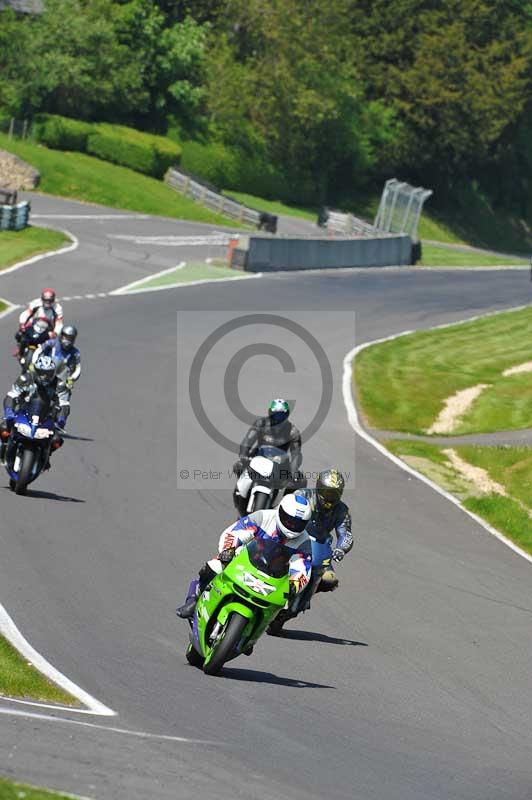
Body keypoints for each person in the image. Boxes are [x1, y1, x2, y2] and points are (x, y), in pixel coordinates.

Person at [176, 493, 313, 622]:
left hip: (274, 577)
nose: (292, 525)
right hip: (245, 561)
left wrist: (294, 583)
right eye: (288, 520)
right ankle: (195, 600)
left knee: (282, 606)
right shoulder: (263, 517)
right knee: (215, 566)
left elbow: (303, 567)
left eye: (297, 523)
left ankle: (252, 635)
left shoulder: (304, 541)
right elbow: (235, 532)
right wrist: (228, 551)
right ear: (280, 511)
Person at [267, 468, 353, 635]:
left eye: (335, 493)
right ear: (319, 488)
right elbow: (281, 510)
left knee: (330, 580)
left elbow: (346, 534)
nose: (330, 497)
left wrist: (341, 548)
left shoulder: (342, 510)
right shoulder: (303, 495)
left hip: (320, 548)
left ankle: (307, 594)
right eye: (327, 492)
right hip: (295, 540)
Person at [232, 398, 304, 515]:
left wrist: (293, 471)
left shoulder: (293, 431)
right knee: (239, 468)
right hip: (258, 460)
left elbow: (296, 454)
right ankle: (240, 500)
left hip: (280, 465)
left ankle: (283, 510)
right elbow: (248, 440)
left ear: (286, 415)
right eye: (276, 415)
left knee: (300, 481)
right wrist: (243, 456)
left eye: (281, 416)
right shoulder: (261, 424)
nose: (278, 419)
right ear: (270, 413)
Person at [0, 355, 69, 466]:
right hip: (23, 412)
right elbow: (11, 395)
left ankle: (46, 457)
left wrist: (61, 419)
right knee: (4, 427)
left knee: (57, 440)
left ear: (53, 372)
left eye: (48, 373)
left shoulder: (59, 385)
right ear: (36, 371)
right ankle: (3, 450)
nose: (45, 376)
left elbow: (64, 404)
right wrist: (9, 411)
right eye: (42, 373)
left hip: (47, 417)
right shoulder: (25, 379)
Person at [33, 324, 81, 390]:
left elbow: (78, 368)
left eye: (70, 338)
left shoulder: (75, 352)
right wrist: (34, 363)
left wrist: (71, 378)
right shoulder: (52, 343)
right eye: (66, 337)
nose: (67, 340)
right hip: (44, 372)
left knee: (65, 393)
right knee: (28, 380)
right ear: (61, 336)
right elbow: (38, 351)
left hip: (60, 379)